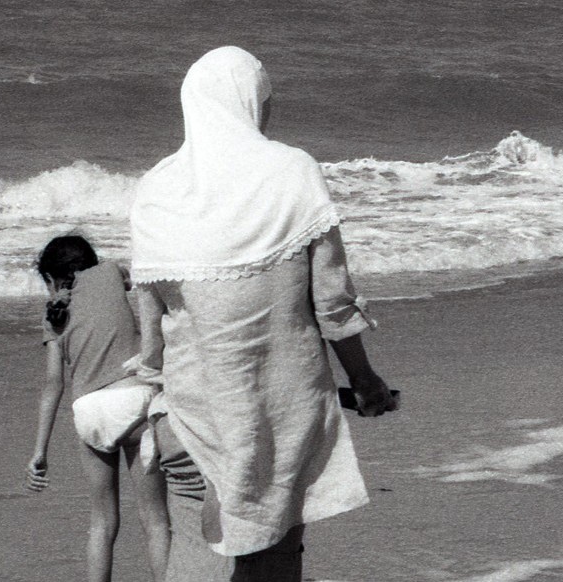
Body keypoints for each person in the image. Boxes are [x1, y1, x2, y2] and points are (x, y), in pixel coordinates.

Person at [129, 46, 398, 581]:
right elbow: (333, 306)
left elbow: (151, 330)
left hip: (187, 420)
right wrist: (366, 384)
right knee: (271, 562)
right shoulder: (291, 172)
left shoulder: (156, 188)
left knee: (196, 555)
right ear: (250, 101)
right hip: (274, 423)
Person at [25, 234, 170, 582]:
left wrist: (39, 451)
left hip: (89, 411)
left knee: (101, 524)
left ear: (49, 279)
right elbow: (131, 281)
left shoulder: (52, 317)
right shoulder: (108, 272)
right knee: (156, 521)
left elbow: (53, 385)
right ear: (92, 259)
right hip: (134, 400)